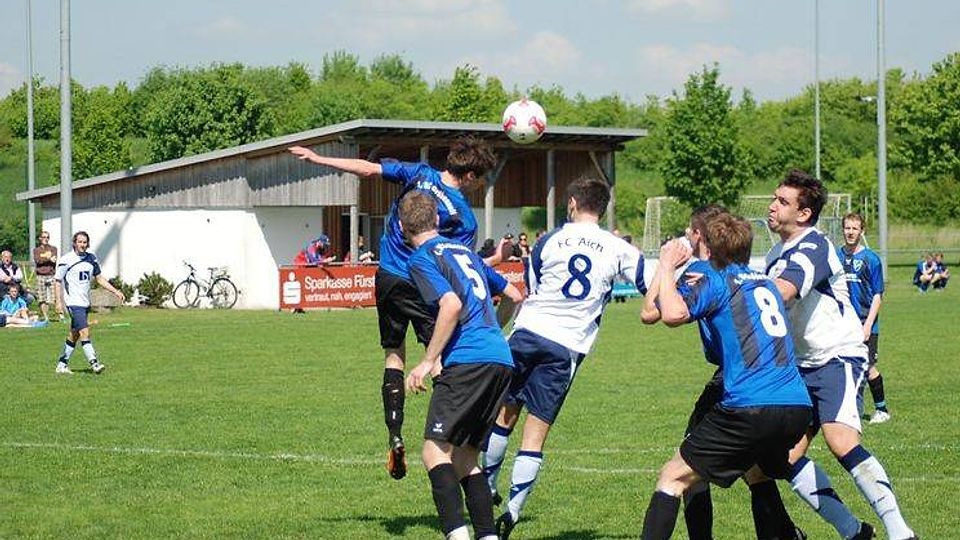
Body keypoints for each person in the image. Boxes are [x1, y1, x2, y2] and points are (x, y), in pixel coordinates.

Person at [290, 135, 502, 480]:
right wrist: (496, 262)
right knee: (439, 359)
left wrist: (319, 160)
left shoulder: (420, 173)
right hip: (423, 283)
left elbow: (366, 169)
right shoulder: (463, 217)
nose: (481, 185)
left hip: (388, 276)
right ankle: (451, 436)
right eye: (481, 179)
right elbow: (459, 262)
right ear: (470, 176)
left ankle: (395, 434)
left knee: (394, 355)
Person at [479, 177, 645, 539]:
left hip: (526, 333)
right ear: (602, 208)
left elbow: (533, 287)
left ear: (571, 203)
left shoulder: (548, 240)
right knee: (534, 435)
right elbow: (649, 283)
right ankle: (512, 511)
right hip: (566, 346)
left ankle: (487, 488)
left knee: (504, 416)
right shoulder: (619, 248)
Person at [639, 214, 813, 540]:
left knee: (673, 478)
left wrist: (666, 266)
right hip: (796, 404)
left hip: (749, 402)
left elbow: (665, 313)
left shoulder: (712, 276)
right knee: (757, 473)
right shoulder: (766, 282)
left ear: (705, 243)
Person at [766, 170, 916, 540]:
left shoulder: (814, 246)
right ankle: (854, 531)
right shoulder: (774, 254)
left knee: (841, 441)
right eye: (774, 198)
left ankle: (901, 533)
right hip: (801, 365)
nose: (772, 206)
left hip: (838, 356)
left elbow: (782, 291)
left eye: (782, 201)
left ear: (804, 214)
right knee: (784, 457)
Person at [401, 190, 523, 540]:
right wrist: (491, 332)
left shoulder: (422, 258)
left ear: (402, 226)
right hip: (500, 358)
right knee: (465, 460)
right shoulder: (465, 251)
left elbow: (451, 304)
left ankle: (457, 536)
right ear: (437, 219)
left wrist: (427, 361)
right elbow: (514, 295)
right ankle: (487, 536)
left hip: (468, 361)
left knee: (434, 451)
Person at [839, 213, 891, 424]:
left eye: (855, 228)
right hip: (842, 323)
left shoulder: (871, 259)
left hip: (864, 322)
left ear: (862, 231)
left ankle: (882, 410)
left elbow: (878, 295)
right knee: (842, 365)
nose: (850, 232)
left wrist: (868, 325)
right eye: (847, 228)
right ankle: (848, 410)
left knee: (868, 367)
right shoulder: (836, 256)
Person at [54, 231, 126, 375]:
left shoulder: (91, 258)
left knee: (74, 334)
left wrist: (115, 291)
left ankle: (61, 365)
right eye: (79, 242)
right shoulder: (66, 259)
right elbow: (57, 281)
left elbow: (99, 278)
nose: (82, 244)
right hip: (73, 303)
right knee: (84, 332)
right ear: (74, 243)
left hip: (85, 303)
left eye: (85, 242)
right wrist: (58, 302)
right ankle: (94, 363)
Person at [33, 231, 60, 321]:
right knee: (42, 298)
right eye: (44, 237)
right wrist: (48, 258)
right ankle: (45, 317)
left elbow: (54, 259)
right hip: (40, 275)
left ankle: (57, 314)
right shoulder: (36, 250)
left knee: (53, 297)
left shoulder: (53, 248)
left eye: (47, 237)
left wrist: (43, 257)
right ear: (40, 238)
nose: (46, 239)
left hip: (51, 275)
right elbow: (38, 261)